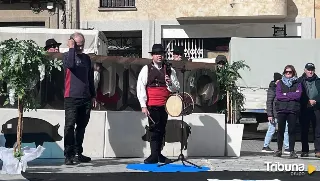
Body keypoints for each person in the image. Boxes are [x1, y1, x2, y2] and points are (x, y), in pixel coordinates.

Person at [137, 44, 180, 164]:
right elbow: (141, 87)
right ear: (152, 56)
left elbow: (176, 88)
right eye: (157, 54)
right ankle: (154, 155)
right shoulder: (146, 69)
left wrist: (170, 83)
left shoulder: (170, 70)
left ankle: (158, 154)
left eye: (161, 54)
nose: (159, 56)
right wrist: (143, 105)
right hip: (152, 105)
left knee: (161, 129)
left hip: (165, 105)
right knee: (154, 129)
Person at [63, 32, 96, 165]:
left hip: (85, 97)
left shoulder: (87, 59)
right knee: (70, 126)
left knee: (81, 126)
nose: (80, 48)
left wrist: (93, 95)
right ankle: (68, 154)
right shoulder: (67, 56)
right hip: (71, 97)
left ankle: (78, 152)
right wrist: (71, 48)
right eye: (77, 45)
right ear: (72, 42)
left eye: (82, 45)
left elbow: (90, 78)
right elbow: (70, 65)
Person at [274, 65, 302, 158]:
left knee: (292, 131)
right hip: (281, 109)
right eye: (286, 72)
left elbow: (298, 96)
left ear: (293, 72)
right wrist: (291, 95)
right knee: (280, 131)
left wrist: (286, 94)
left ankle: (292, 151)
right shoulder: (280, 83)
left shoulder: (298, 83)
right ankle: (279, 150)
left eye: (290, 72)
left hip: (292, 110)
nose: (288, 74)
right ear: (284, 73)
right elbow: (279, 96)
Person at [262, 73, 289, 154]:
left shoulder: (281, 87)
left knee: (286, 130)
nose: (280, 81)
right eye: (279, 80)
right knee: (271, 130)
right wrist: (269, 114)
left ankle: (287, 147)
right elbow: (269, 102)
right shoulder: (272, 89)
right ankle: (265, 146)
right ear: (276, 80)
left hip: (282, 112)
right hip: (274, 114)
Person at [298, 63, 320, 158]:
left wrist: (316, 100)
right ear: (305, 70)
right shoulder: (300, 81)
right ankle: (305, 150)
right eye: (308, 69)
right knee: (304, 130)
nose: (310, 71)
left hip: (316, 108)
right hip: (305, 108)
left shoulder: (318, 81)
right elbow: (298, 93)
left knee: (318, 130)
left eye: (312, 69)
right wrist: (307, 101)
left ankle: (318, 150)